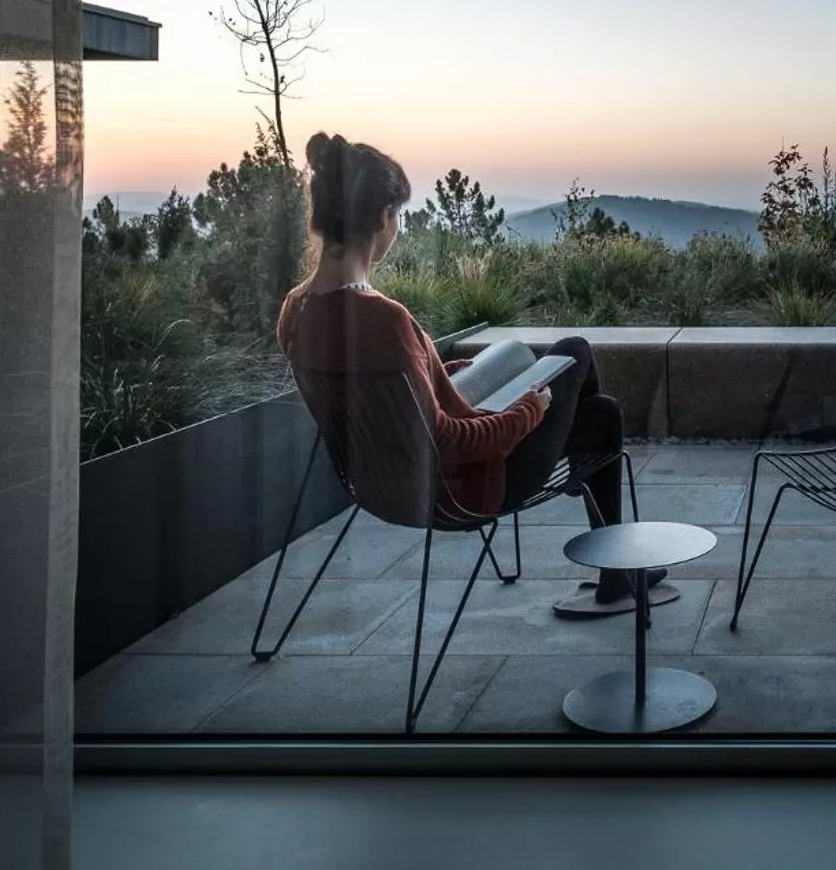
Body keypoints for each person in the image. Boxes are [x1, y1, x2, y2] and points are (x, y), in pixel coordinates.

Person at [276, 131, 667, 615]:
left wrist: (439, 373)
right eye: (397, 215)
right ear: (382, 217)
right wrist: (528, 411)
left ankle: (614, 565)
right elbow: (448, 441)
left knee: (528, 367)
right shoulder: (383, 320)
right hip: (456, 489)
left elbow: (392, 400)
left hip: (374, 485)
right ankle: (615, 569)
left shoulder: (295, 310)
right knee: (582, 368)